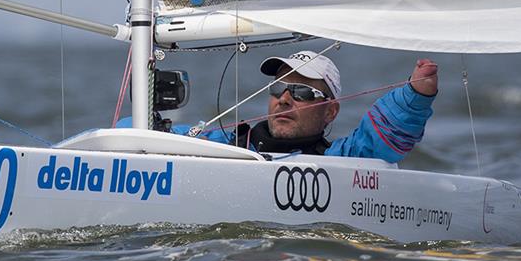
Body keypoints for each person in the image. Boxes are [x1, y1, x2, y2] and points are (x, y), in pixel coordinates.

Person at [188, 50, 438, 162]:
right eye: (277, 89)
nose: (284, 99)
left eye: (302, 92)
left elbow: (379, 139)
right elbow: (173, 139)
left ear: (330, 111)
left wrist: (416, 95)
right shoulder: (225, 145)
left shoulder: (341, 160)